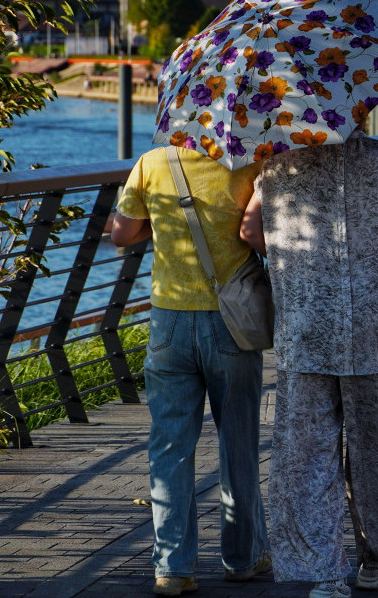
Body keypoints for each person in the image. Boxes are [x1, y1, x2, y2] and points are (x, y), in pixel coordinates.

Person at [240, 127, 378, 598]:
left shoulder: (278, 166)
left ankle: (324, 573)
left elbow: (250, 231)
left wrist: (293, 255)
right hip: (376, 325)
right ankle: (375, 559)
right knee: (376, 450)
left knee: (307, 457)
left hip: (307, 328)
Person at [110, 146, 270, 596]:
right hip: (232, 319)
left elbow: (121, 235)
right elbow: (256, 232)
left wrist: (161, 224)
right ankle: (243, 558)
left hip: (168, 321)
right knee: (238, 441)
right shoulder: (251, 162)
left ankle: (173, 568)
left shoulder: (152, 162)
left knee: (170, 446)